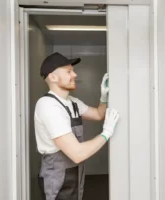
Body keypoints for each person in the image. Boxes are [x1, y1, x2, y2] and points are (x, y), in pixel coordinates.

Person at [34, 52, 120, 200]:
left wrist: (103, 97)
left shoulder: (72, 102)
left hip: (74, 170)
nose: (74, 75)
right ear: (52, 77)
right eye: (68, 71)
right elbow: (77, 153)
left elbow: (99, 114)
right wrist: (106, 133)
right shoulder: (49, 106)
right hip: (57, 173)